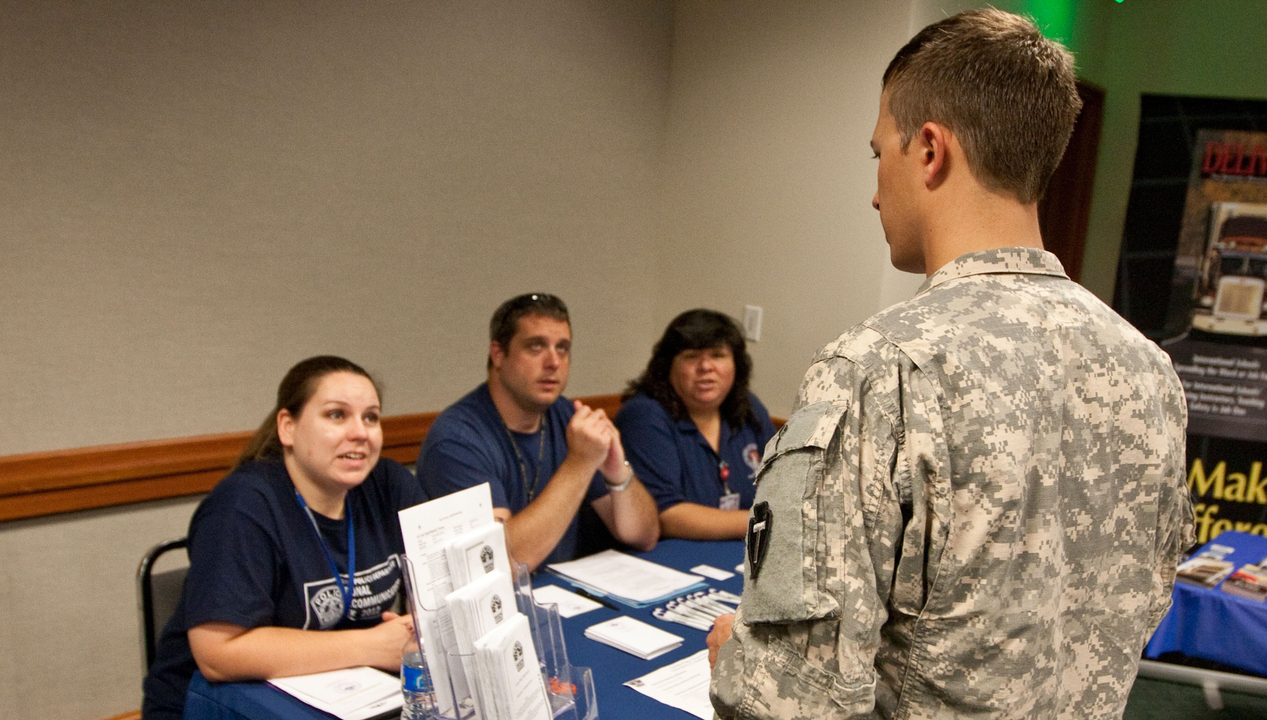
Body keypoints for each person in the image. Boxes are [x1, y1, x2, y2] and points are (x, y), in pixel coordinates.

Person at [708, 10, 1194, 720]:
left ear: (929, 149)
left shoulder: (880, 367)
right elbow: (1140, 605)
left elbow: (793, 701)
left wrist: (739, 668)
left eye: (880, 155)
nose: (876, 189)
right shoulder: (1150, 371)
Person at [142, 356, 427, 720]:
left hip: (348, 695)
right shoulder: (242, 506)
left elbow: (445, 580)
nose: (361, 432)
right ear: (287, 428)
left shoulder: (388, 484)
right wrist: (373, 646)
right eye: (337, 415)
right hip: (222, 705)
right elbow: (218, 654)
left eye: (370, 417)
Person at [417, 293, 659, 569]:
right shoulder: (456, 440)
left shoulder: (568, 416)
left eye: (563, 348)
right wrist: (580, 463)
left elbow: (644, 536)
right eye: (536, 347)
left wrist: (618, 472)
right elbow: (498, 562)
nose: (554, 362)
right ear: (498, 354)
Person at [616, 309, 776, 540]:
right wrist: (766, 521)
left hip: (744, 549)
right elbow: (667, 516)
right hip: (672, 556)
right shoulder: (644, 415)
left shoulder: (748, 407)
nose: (705, 367)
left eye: (718, 355)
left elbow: (783, 480)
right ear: (668, 367)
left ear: (736, 365)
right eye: (691, 356)